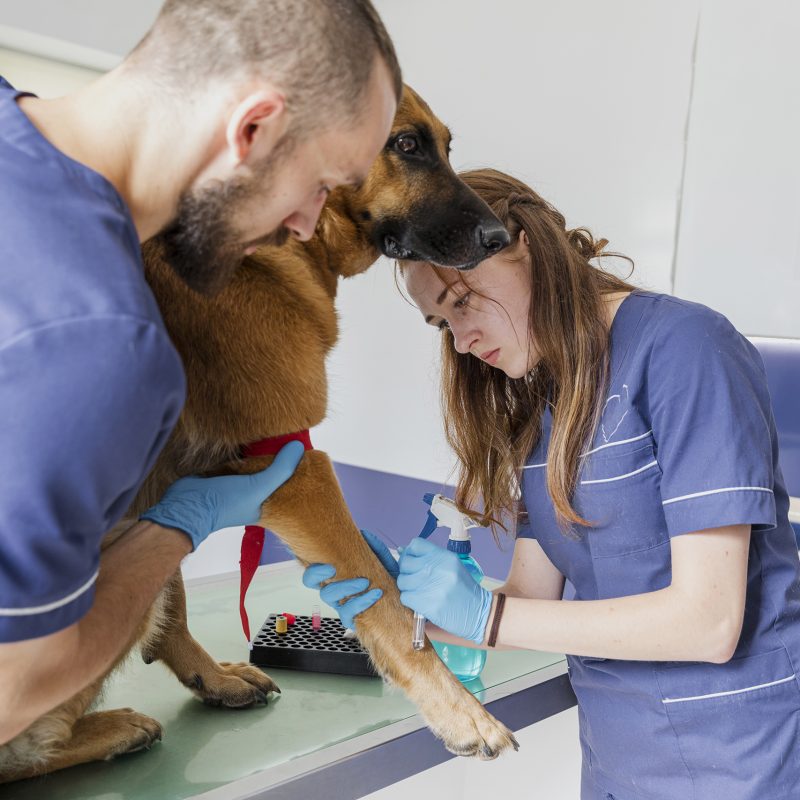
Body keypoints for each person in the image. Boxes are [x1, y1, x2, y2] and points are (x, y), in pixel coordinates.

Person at [305, 168, 800, 798]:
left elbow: (709, 621)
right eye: (440, 324)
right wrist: (397, 601)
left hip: (739, 752)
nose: (460, 341)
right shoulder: (546, 401)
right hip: (618, 754)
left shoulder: (685, 347)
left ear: (524, 246)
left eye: (462, 301)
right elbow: (527, 595)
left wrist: (484, 615)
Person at [0, 0, 401, 745]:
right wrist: (174, 532)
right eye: (321, 184)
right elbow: (10, 694)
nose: (311, 226)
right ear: (253, 129)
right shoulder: (102, 343)